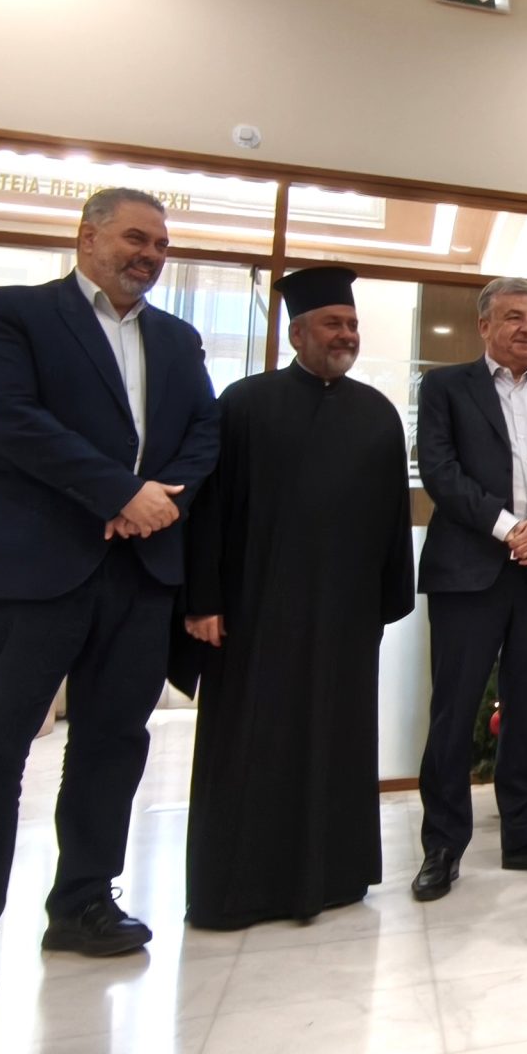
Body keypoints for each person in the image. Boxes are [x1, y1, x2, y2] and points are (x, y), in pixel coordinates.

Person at [0, 188, 222, 999]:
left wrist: (160, 499)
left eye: (160, 245)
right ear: (87, 237)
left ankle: (84, 902)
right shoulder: (12, 314)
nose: (149, 255)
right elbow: (11, 419)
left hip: (140, 573)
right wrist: (118, 493)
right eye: (135, 238)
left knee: (113, 744)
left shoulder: (178, 338)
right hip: (32, 570)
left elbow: (204, 433)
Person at [179, 267, 414, 928]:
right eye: (333, 324)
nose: (347, 335)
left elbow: (392, 519)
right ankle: (237, 890)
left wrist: (386, 602)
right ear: (297, 333)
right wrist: (203, 601)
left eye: (353, 324)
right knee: (249, 744)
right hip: (254, 617)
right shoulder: (244, 405)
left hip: (344, 619)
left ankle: (335, 877)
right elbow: (210, 511)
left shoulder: (378, 415)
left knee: (337, 740)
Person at [413, 276, 527, 900]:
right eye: (513, 317)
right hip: (468, 573)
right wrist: (509, 527)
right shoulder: (445, 387)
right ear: (484, 325)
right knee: (454, 710)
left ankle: (523, 835)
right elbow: (440, 472)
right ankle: (442, 846)